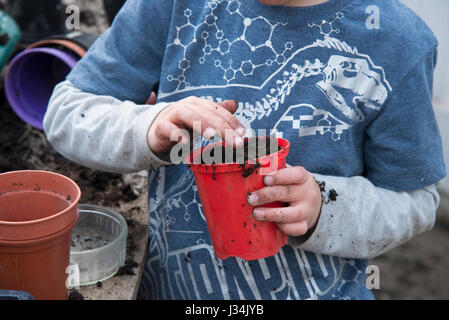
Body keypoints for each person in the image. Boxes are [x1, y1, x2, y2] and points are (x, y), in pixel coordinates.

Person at [44, 0, 446, 299]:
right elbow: (67, 113)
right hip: (172, 289)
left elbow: (415, 199)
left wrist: (324, 206)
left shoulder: (396, 40)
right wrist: (148, 128)